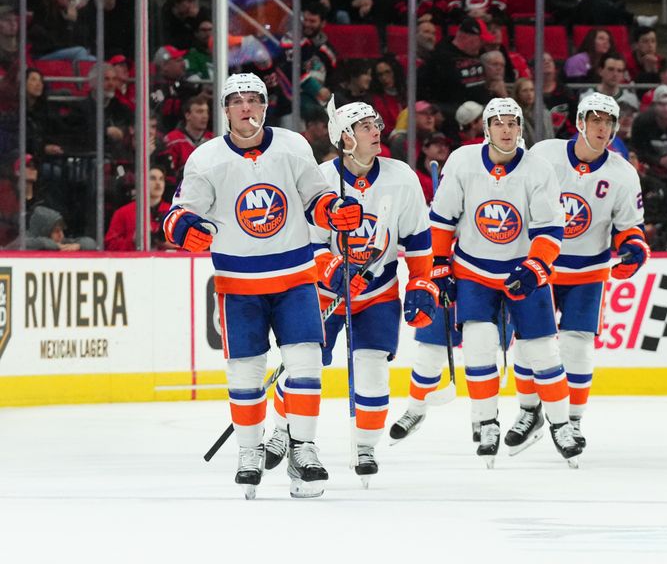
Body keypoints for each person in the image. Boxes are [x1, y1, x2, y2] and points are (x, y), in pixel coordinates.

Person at [163, 73, 363, 500]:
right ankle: (250, 451)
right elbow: (178, 214)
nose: (247, 108)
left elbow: (316, 199)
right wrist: (184, 229)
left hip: (294, 277)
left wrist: (336, 213)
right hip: (238, 284)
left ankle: (302, 446)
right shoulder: (206, 158)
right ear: (226, 110)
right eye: (238, 101)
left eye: (254, 100)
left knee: (307, 362)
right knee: (245, 373)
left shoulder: (292, 146)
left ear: (266, 106)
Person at [265, 98, 437, 486]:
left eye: (376, 124)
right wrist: (334, 271)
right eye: (365, 127)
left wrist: (422, 283)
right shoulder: (320, 178)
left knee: (373, 371)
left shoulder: (401, 177)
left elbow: (419, 239)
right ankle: (282, 429)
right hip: (324, 293)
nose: (376, 131)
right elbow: (308, 242)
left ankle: (365, 447)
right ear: (345, 138)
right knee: (302, 367)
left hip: (378, 290)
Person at [401, 97, 580, 468]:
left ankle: (561, 424)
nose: (507, 130)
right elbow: (444, 219)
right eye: (499, 123)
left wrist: (535, 266)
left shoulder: (538, 169)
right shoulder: (464, 162)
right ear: (486, 128)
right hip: (473, 271)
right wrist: (439, 266)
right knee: (481, 346)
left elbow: (551, 229)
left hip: (523, 270)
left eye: (513, 123)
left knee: (543, 352)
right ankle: (486, 423)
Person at [531, 92, 650, 452]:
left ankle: (574, 419)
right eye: (595, 120)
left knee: (577, 345)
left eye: (608, 121)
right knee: (531, 344)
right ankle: (529, 409)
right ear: (580, 122)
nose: (602, 127)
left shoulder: (623, 173)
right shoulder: (545, 156)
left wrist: (631, 247)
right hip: (542, 267)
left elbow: (630, 226)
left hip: (588, 270)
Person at [104, 165, 173, 251]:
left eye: (161, 179)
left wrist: (169, 244)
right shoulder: (123, 213)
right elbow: (109, 245)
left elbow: (188, 245)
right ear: (142, 182)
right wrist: (133, 242)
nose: (158, 183)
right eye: (152, 178)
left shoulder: (174, 213)